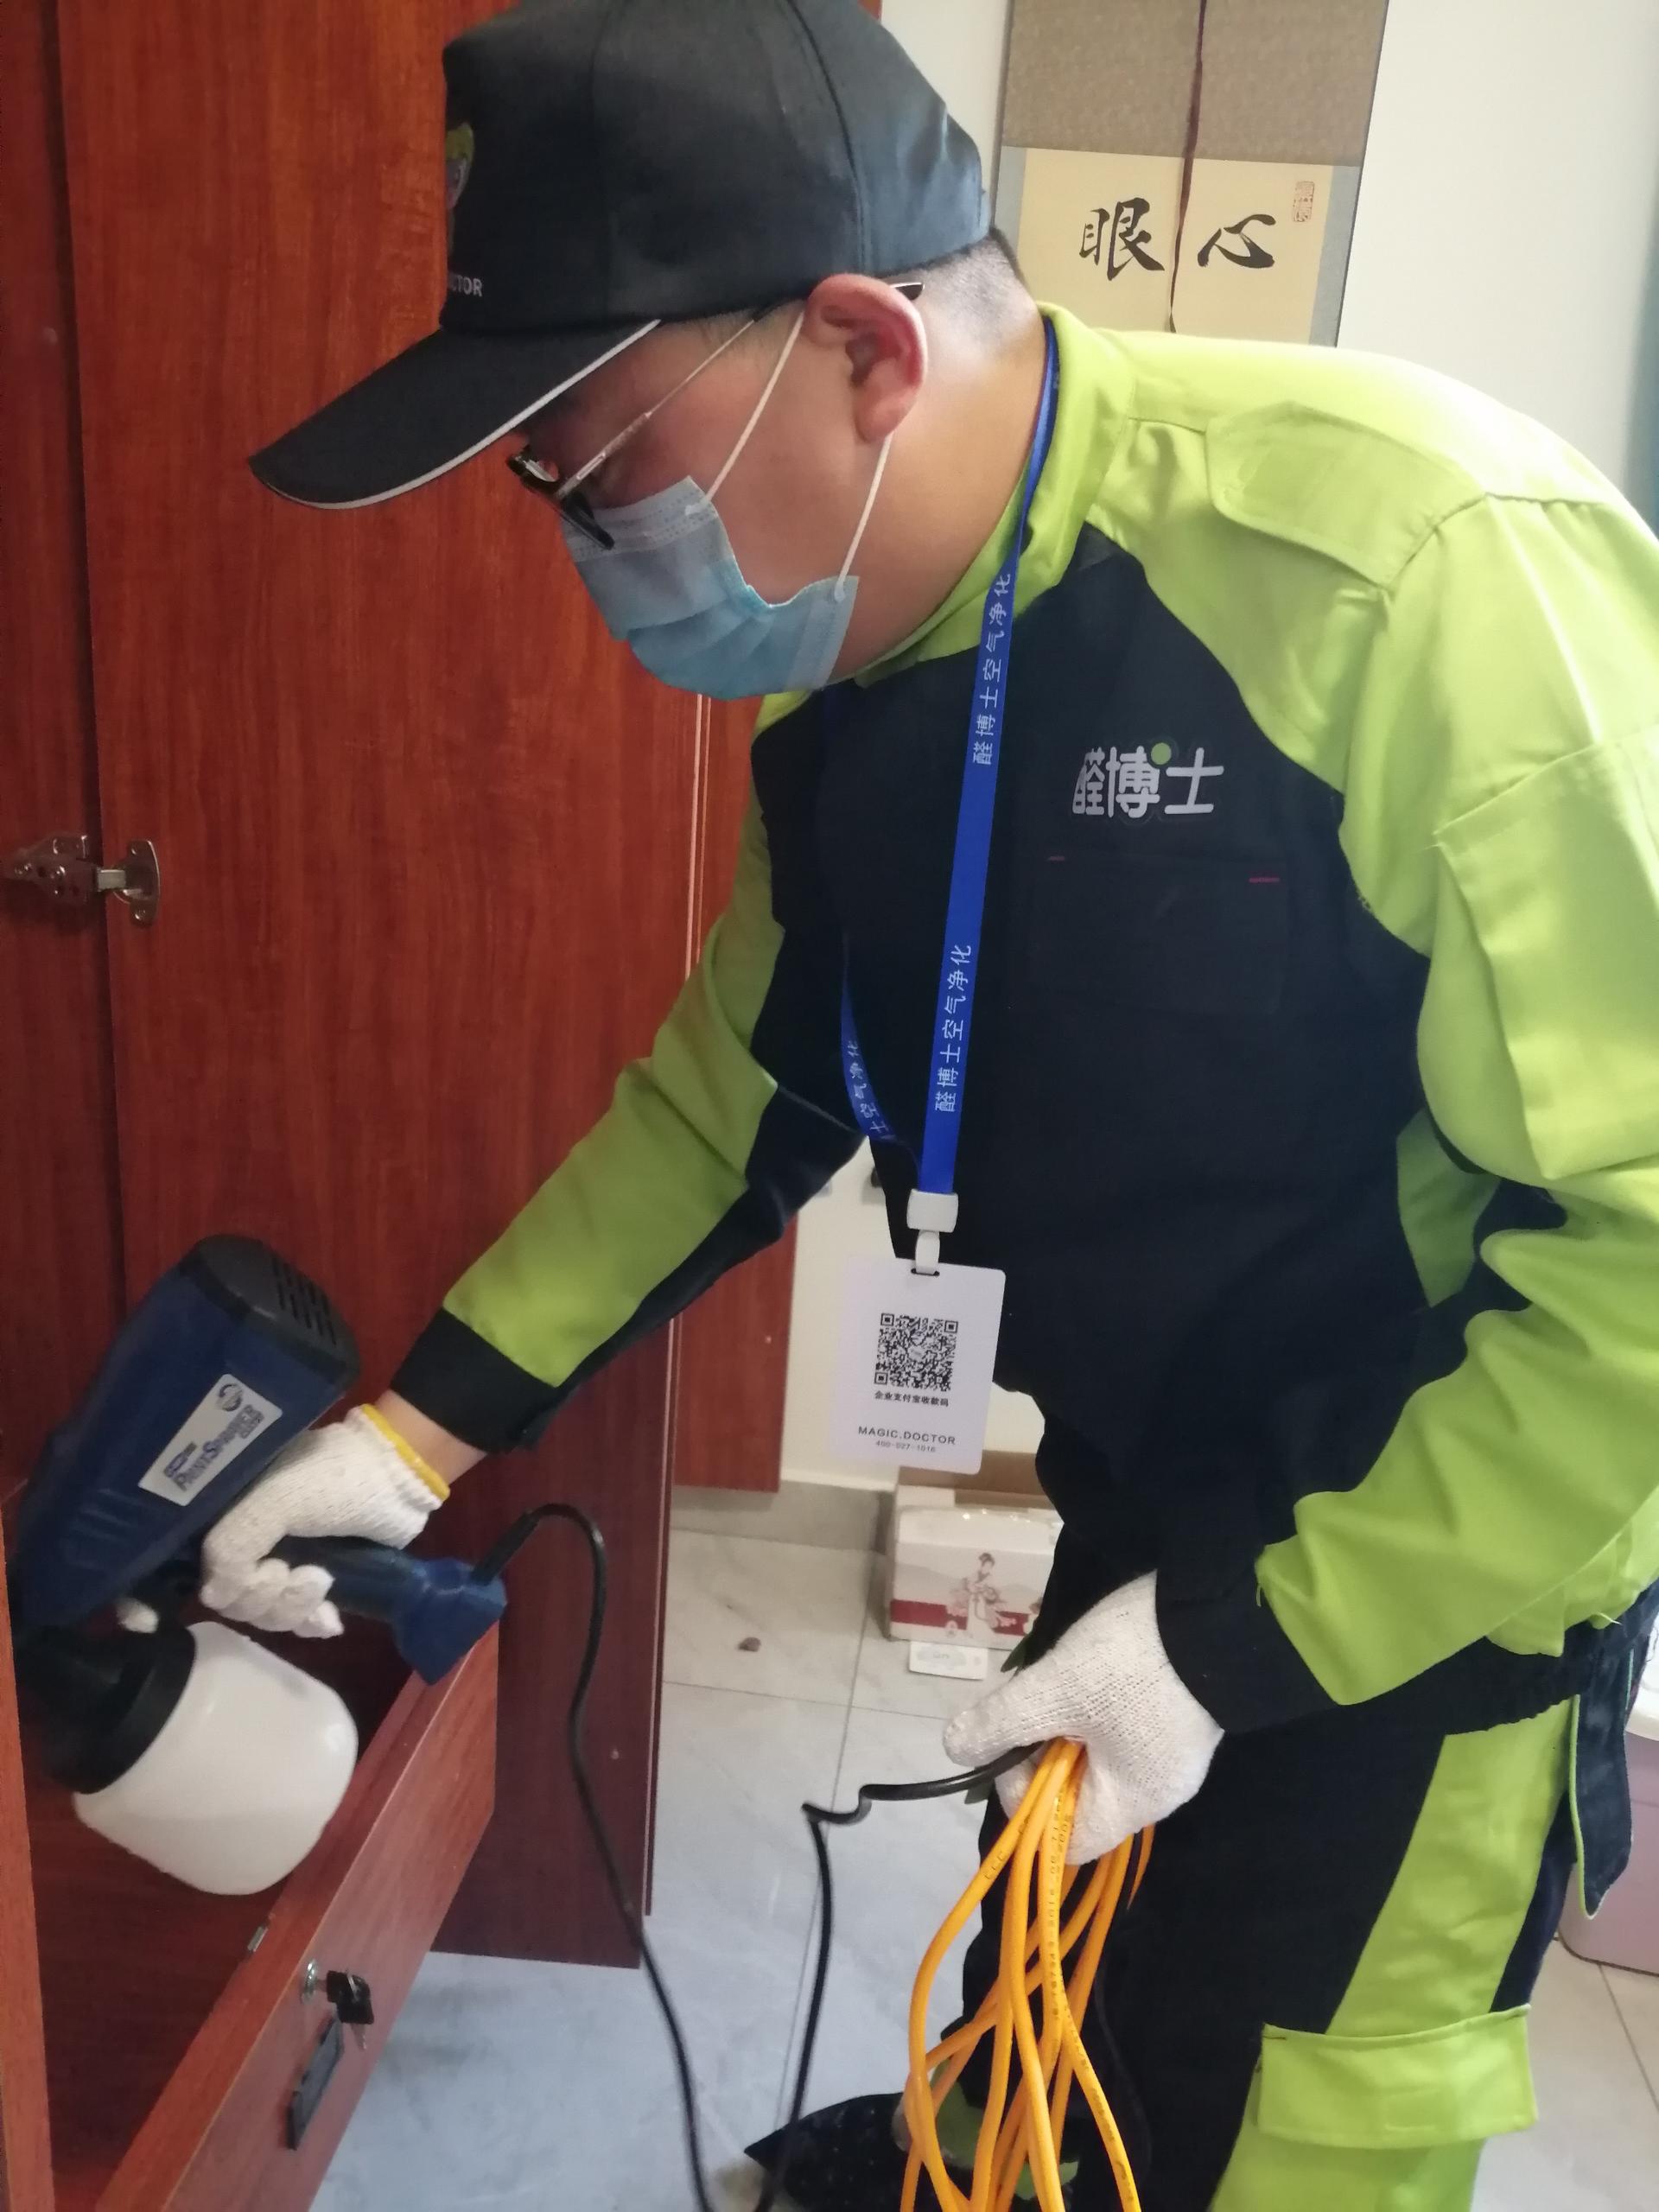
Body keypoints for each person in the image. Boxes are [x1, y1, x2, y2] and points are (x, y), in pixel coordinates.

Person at [234, 3, 1659, 2207]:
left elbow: (1644, 1259)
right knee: (1052, 2003)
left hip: (1431, 1548)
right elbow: (736, 1095)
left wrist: (1244, 1638)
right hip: (1142, 1488)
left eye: (607, 470)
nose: (588, 543)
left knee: (1273, 2118)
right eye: (549, 491)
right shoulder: (859, 668)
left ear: (865, 349)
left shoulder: (1412, 574)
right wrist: (415, 1428)